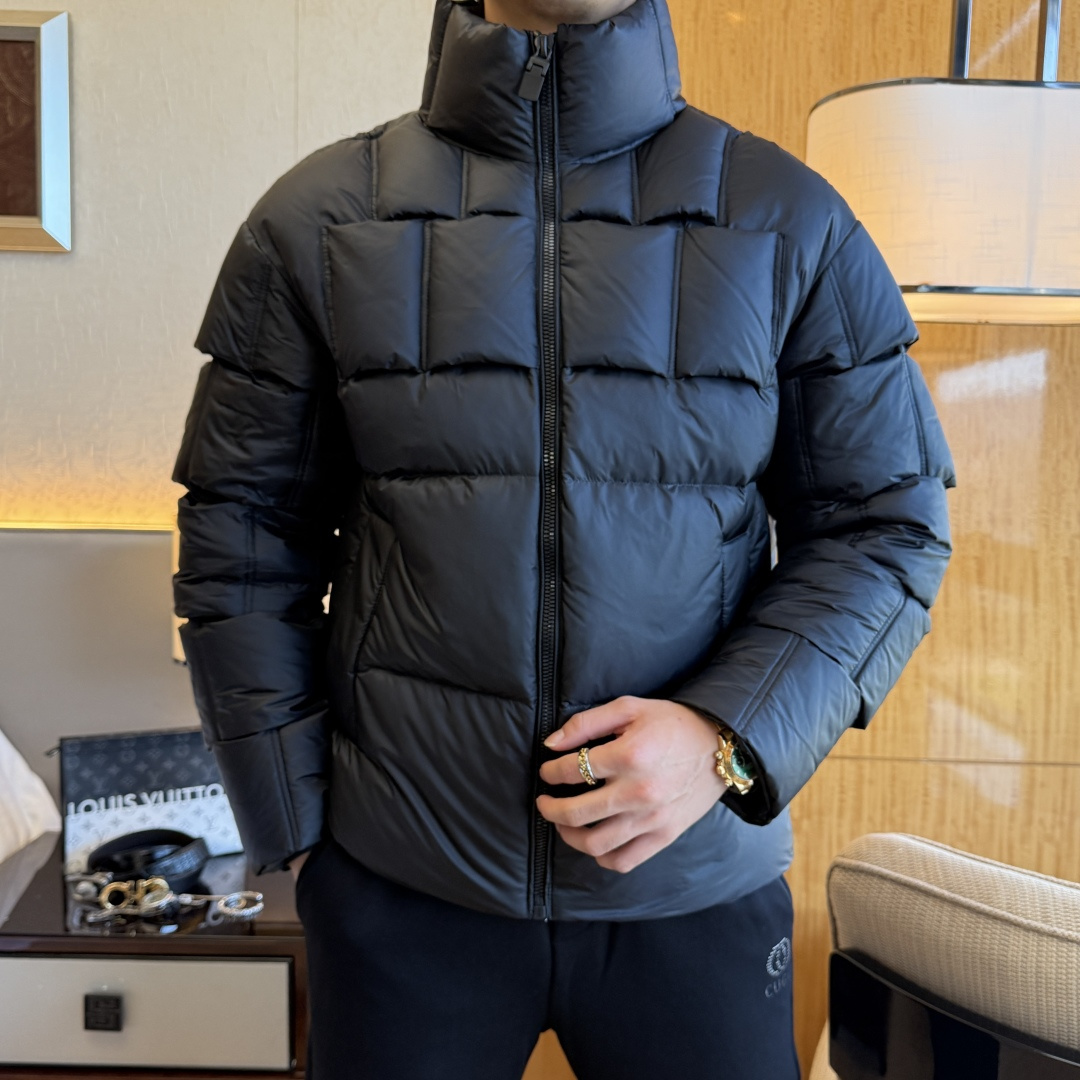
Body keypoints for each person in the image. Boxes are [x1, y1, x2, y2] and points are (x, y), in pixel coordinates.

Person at [172, 0, 956, 1076]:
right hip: (400, 895)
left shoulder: (790, 221)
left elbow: (887, 527)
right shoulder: (316, 221)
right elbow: (242, 539)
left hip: (695, 895)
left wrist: (725, 739)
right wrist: (299, 837)